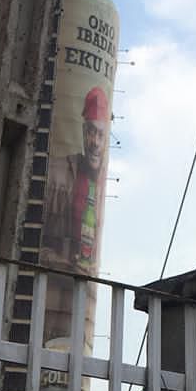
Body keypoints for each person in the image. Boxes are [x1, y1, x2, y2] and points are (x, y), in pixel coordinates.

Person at [41, 86, 110, 274]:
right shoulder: (57, 170)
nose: (95, 142)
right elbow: (31, 239)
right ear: (83, 131)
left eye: (101, 135)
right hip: (48, 289)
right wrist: (65, 264)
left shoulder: (103, 185)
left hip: (84, 293)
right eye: (91, 132)